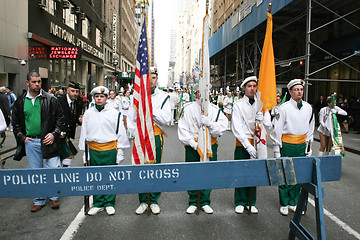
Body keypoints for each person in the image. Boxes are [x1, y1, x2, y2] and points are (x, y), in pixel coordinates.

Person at [12, 71, 66, 212]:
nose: (37, 84)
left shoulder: (51, 99)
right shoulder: (21, 101)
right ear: (27, 83)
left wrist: (54, 134)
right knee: (36, 173)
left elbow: (61, 119)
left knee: (53, 170)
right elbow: (15, 123)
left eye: (39, 81)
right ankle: (39, 200)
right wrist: (23, 138)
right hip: (31, 142)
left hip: (49, 140)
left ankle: (54, 197)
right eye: (34, 82)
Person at [78, 86, 130, 216]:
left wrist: (120, 152)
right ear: (94, 98)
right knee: (95, 178)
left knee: (109, 177)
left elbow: (120, 133)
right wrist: (86, 153)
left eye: (102, 96)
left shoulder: (114, 113)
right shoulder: (88, 113)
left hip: (110, 149)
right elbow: (84, 133)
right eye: (97, 96)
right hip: (94, 149)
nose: (99, 99)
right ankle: (98, 203)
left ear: (107, 98)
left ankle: (109, 203)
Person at [178, 84, 227, 214]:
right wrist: (194, 144)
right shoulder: (187, 109)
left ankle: (205, 200)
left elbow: (222, 128)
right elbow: (183, 129)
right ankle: (193, 200)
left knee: (208, 172)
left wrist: (210, 124)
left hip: (210, 145)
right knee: (192, 172)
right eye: (200, 92)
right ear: (196, 93)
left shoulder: (215, 110)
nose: (203, 94)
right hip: (192, 145)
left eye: (206, 92)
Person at [270, 79, 314, 216]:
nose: (299, 92)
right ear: (290, 92)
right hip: (287, 144)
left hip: (301, 144)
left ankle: (294, 202)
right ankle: (284, 202)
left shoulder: (308, 107)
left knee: (298, 175)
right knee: (284, 173)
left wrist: (308, 145)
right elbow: (276, 130)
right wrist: (277, 149)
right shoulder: (283, 108)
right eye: (296, 89)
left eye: (301, 89)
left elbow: (311, 127)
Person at [231, 76, 271, 214]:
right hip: (243, 143)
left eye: (254, 86)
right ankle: (240, 201)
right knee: (241, 172)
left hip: (258, 141)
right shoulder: (238, 105)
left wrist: (263, 118)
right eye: (249, 86)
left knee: (254, 173)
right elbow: (237, 127)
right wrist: (247, 145)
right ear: (244, 88)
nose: (253, 88)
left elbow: (269, 125)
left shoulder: (261, 104)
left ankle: (251, 201)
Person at [135, 67, 171, 215]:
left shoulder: (163, 97)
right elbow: (131, 118)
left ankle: (154, 200)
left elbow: (166, 119)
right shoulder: (137, 95)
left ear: (157, 79)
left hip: (155, 135)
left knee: (154, 168)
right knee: (141, 168)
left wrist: (150, 109)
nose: (151, 80)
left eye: (154, 77)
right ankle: (143, 200)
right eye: (148, 77)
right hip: (140, 135)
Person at [57, 81, 83, 167]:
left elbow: (76, 118)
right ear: (67, 90)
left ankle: (63, 175)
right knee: (67, 156)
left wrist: (79, 120)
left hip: (67, 135)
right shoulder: (59, 101)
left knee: (64, 158)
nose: (75, 94)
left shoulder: (78, 101)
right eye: (72, 91)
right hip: (58, 134)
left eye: (77, 91)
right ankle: (64, 175)